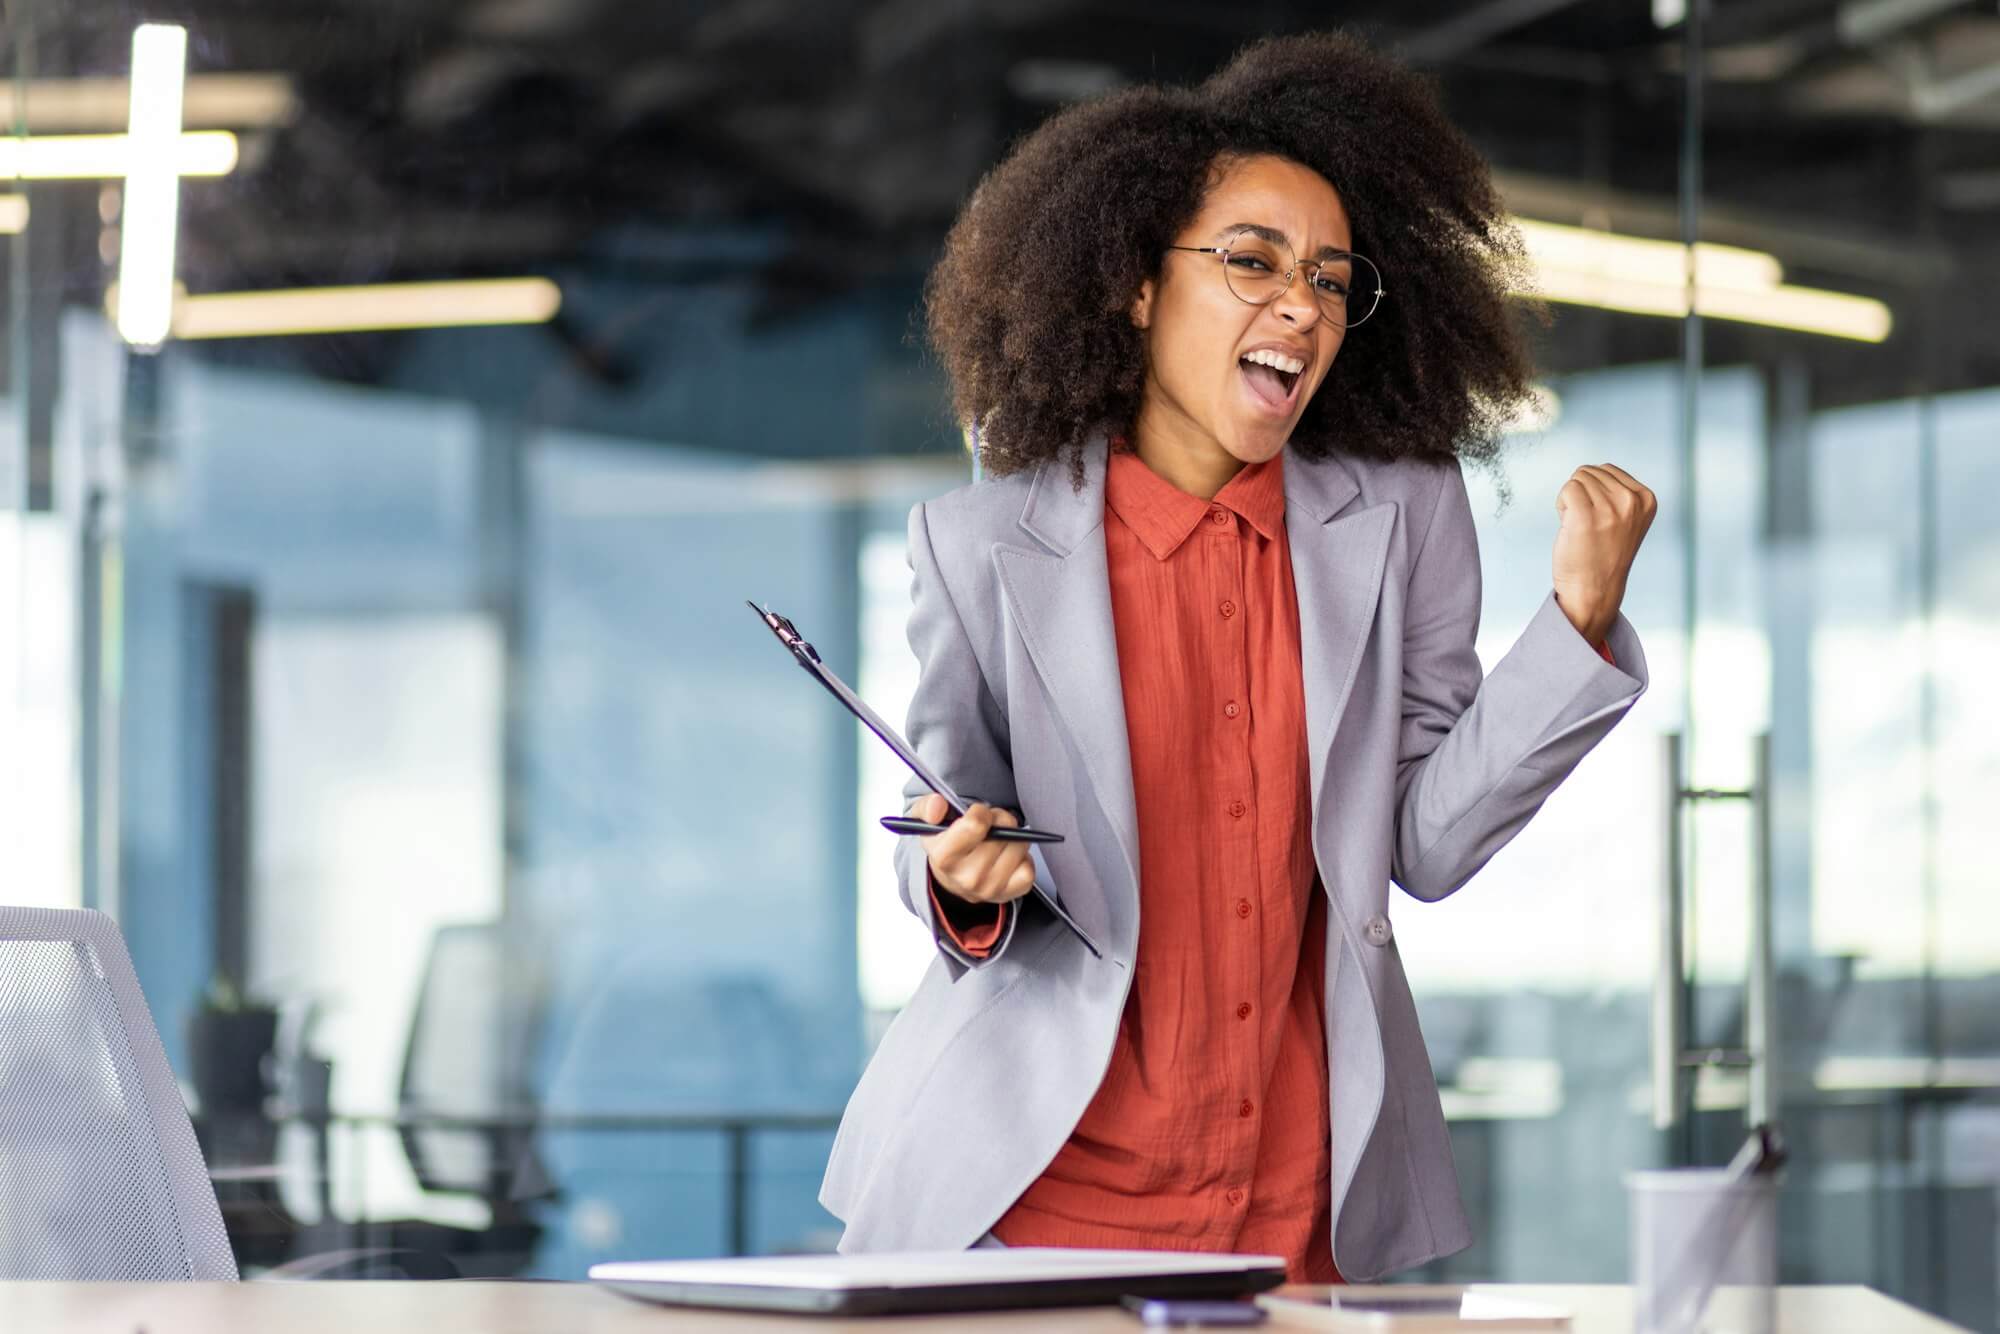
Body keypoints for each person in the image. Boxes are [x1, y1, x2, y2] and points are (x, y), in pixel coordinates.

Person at [819, 30, 1656, 1283]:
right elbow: (934, 818)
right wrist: (957, 877)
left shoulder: (1403, 516)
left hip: (1294, 1199)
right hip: (1028, 1193)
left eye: (1329, 277)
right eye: (1249, 261)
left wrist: (1575, 629)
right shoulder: (980, 543)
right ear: (1134, 287)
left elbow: (1420, 846)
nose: (1298, 304)